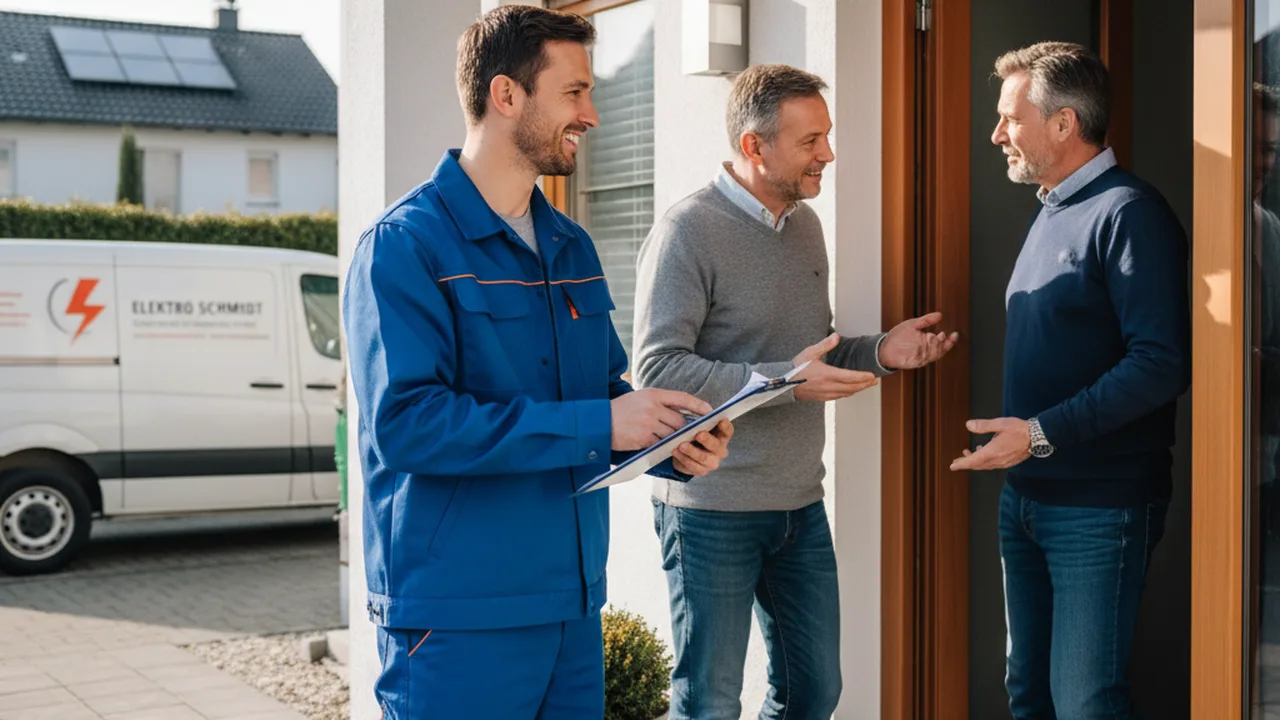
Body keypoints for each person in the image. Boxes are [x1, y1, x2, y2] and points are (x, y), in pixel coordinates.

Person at [341, 6, 735, 718]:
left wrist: (671, 440)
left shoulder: (571, 246)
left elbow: (599, 396)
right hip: (458, 619)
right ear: (505, 95)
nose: (592, 114)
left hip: (571, 609)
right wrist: (602, 423)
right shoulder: (405, 247)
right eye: (575, 92)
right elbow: (408, 425)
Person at [631, 63, 958, 720]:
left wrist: (882, 351)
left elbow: (811, 357)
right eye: (810, 141)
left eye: (826, 136)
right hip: (709, 508)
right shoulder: (687, 231)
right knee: (710, 703)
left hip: (799, 506)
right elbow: (658, 371)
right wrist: (784, 382)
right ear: (755, 147)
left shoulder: (805, 228)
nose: (827, 154)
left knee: (814, 693)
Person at [950, 42, 1191, 719]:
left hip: (1100, 509)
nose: (998, 134)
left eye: (1010, 118)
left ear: (1062, 124)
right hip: (1026, 501)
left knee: (1086, 703)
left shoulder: (1128, 213)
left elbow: (1162, 363)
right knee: (1028, 695)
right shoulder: (1053, 209)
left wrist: (1038, 433)